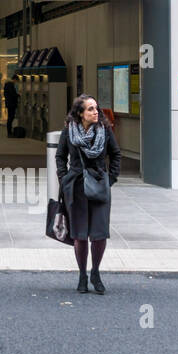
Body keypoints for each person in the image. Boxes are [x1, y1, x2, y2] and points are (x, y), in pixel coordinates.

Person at [55, 95, 121, 294]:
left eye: (96, 108)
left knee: (99, 234)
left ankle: (96, 272)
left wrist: (110, 179)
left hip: (99, 185)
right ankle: (82, 274)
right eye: (90, 109)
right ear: (80, 113)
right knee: (80, 235)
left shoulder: (105, 130)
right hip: (76, 187)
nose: (96, 112)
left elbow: (116, 154)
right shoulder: (69, 132)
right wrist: (64, 178)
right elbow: (60, 156)